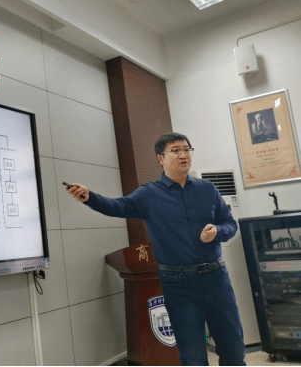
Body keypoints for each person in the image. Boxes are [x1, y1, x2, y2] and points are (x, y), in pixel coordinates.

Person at [66, 132, 245, 366]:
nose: (183, 155)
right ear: (160, 158)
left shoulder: (207, 189)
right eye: (175, 150)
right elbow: (117, 206)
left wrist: (217, 232)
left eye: (187, 149)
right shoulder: (149, 194)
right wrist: (90, 198)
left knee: (233, 348)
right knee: (192, 356)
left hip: (216, 278)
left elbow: (230, 224)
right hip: (178, 284)